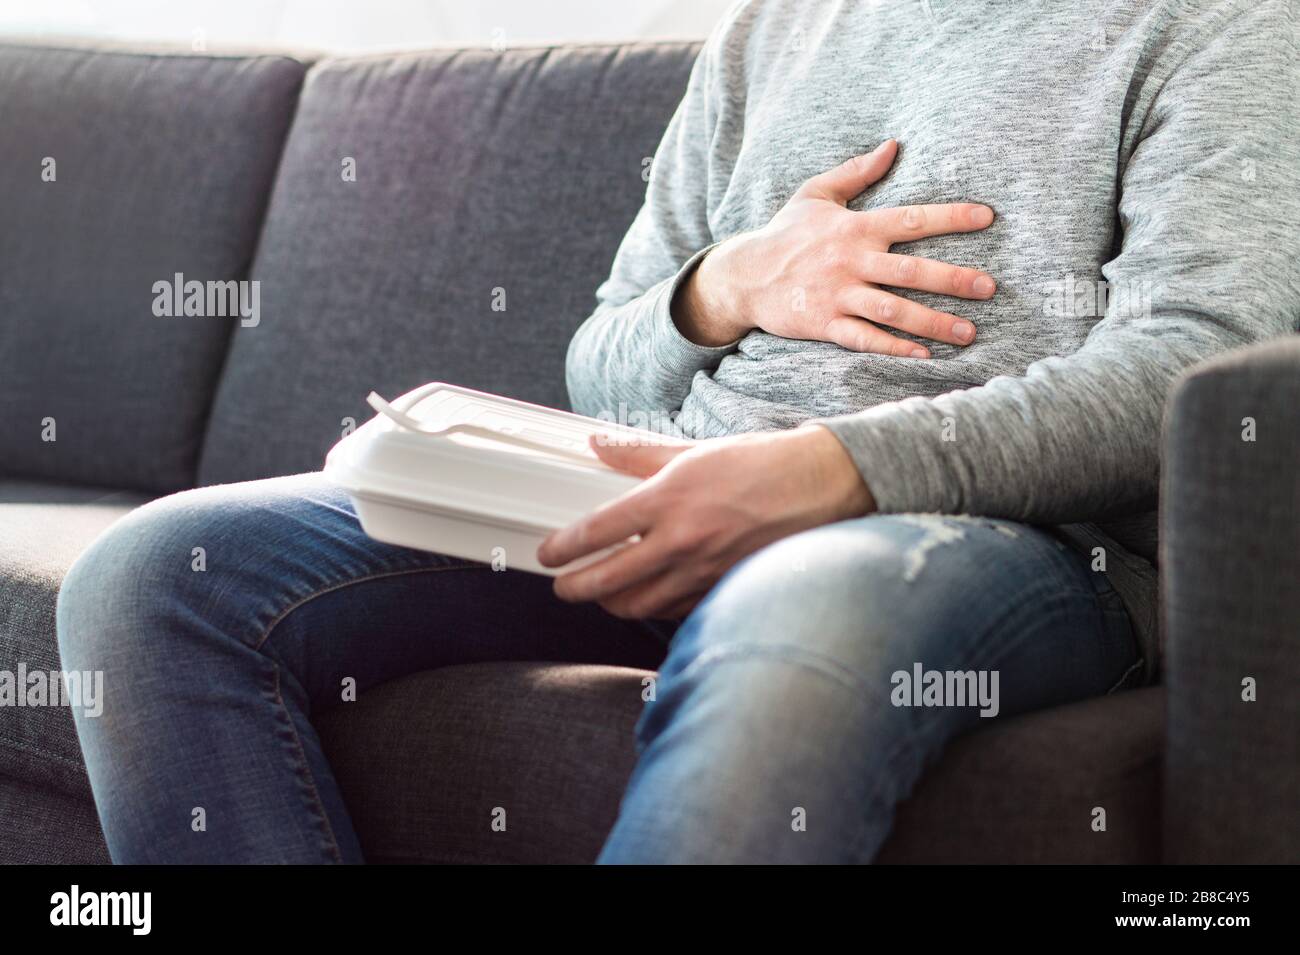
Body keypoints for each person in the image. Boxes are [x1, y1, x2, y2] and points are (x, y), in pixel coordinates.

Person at [58, 0, 1298, 863]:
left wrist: (831, 471)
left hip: (990, 540)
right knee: (155, 575)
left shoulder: (1222, 24)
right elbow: (600, 359)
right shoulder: (774, 26)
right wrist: (726, 287)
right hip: (665, 488)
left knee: (802, 610)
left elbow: (1194, 370)